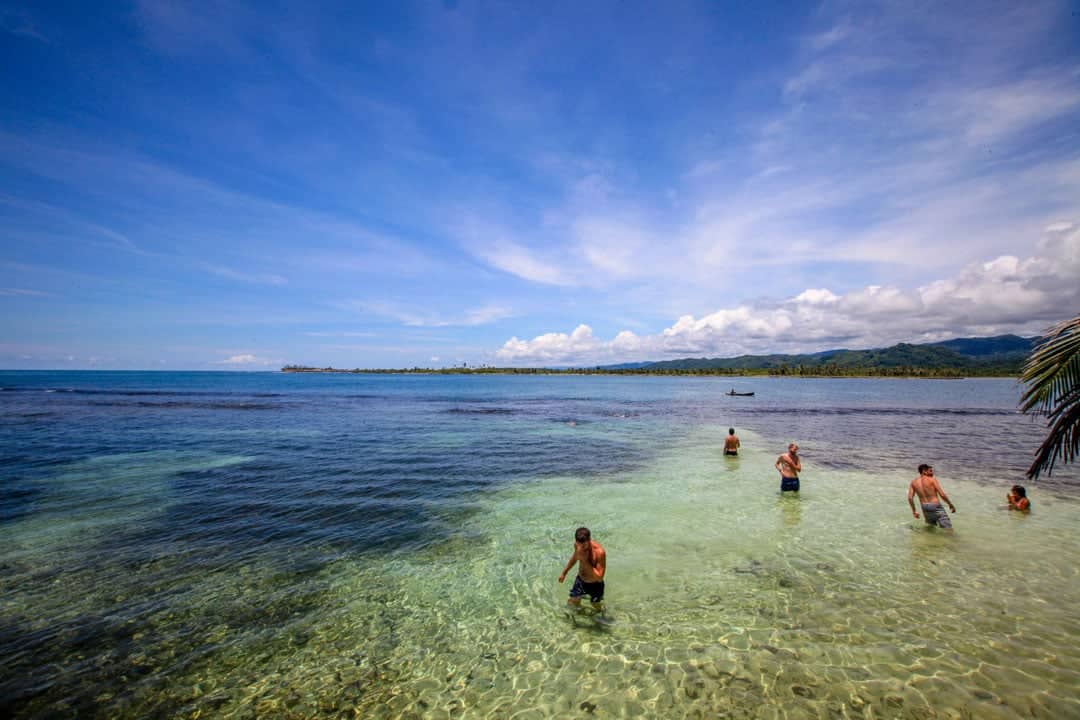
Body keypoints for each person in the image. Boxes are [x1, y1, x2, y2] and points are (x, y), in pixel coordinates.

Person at [558, 526, 606, 611]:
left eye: (584, 545)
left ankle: (602, 616)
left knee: (595, 605)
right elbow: (575, 557)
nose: (581, 548)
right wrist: (564, 573)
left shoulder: (600, 552)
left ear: (589, 540)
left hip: (595, 585)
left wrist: (585, 561)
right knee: (573, 601)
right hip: (580, 580)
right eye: (579, 544)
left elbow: (599, 577)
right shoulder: (577, 545)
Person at [908, 464, 956, 529]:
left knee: (931, 529)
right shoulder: (932, 479)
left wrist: (914, 511)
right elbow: (942, 494)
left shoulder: (913, 482)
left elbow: (910, 498)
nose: (932, 473)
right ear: (924, 471)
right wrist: (950, 504)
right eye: (930, 471)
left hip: (925, 507)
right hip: (935, 506)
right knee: (948, 529)